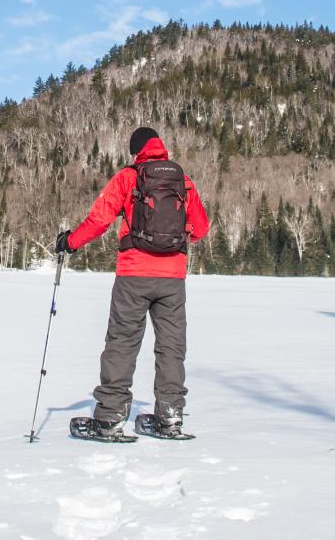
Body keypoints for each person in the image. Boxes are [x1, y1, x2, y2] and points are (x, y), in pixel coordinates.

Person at [56, 126, 210, 439]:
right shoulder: (183, 180)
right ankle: (170, 417)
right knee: (171, 348)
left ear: (136, 149)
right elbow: (201, 229)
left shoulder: (129, 177)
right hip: (172, 279)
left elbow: (99, 219)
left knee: (122, 344)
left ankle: (110, 418)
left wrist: (70, 241)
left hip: (133, 275)